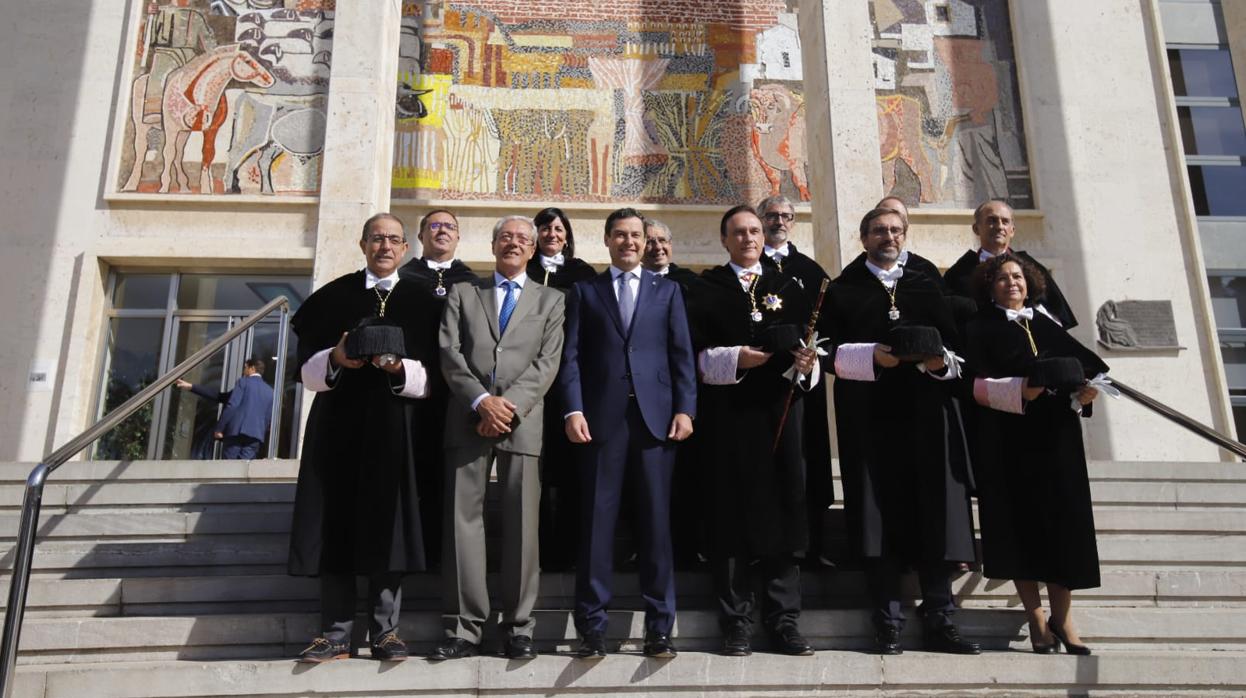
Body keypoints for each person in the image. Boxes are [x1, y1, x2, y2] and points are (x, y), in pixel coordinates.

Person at [826, 207, 979, 656]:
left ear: (905, 234)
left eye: (895, 230)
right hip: (870, 420)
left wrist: (939, 363)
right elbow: (826, 352)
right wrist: (874, 355)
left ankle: (940, 616)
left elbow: (958, 350)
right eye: (878, 231)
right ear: (863, 238)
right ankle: (886, 618)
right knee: (879, 516)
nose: (887, 236)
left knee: (934, 512)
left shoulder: (926, 283)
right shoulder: (843, 290)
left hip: (927, 417)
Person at [288, 212, 435, 663]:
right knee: (336, 525)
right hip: (338, 430)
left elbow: (435, 377)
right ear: (362, 244)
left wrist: (397, 369)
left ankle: (385, 633)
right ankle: (334, 634)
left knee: (388, 530)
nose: (385, 246)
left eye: (393, 239)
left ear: (406, 248)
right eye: (377, 238)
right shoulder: (332, 296)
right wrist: (335, 356)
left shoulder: (426, 300)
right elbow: (305, 374)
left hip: (397, 432)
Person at [558, 208, 697, 659]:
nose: (630, 242)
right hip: (601, 422)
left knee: (657, 527)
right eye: (620, 235)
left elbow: (682, 355)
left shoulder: (669, 290)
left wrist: (685, 409)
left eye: (636, 235)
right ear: (607, 240)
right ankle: (592, 628)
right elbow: (572, 357)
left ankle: (660, 628)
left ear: (645, 240)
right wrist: (573, 409)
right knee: (597, 526)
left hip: (656, 422)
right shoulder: (585, 291)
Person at [431, 215, 566, 661]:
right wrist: (481, 402)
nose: (513, 244)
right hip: (468, 417)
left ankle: (519, 626)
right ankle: (464, 628)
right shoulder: (463, 293)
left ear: (533, 250)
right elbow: (449, 353)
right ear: (492, 246)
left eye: (522, 239)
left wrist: (507, 407)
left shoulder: (552, 300)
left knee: (522, 525)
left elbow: (547, 364)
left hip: (522, 421)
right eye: (505, 237)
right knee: (461, 522)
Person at [688, 204, 820, 657]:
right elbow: (694, 357)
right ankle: (736, 621)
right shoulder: (706, 289)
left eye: (754, 231)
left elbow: (812, 344)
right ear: (724, 240)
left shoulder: (790, 285)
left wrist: (808, 364)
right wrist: (736, 359)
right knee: (730, 517)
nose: (748, 239)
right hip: (729, 418)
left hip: (781, 414)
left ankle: (784, 620)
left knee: (783, 514)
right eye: (738, 233)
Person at [963, 254, 1106, 655]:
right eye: (1004, 277)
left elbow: (1087, 370)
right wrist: (1022, 391)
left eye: (1019, 277)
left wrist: (1085, 394)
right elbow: (972, 386)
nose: (1013, 283)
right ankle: (1037, 617)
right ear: (989, 285)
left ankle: (1064, 618)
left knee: (1064, 527)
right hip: (1008, 442)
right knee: (1018, 528)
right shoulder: (978, 328)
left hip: (1058, 439)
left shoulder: (1046, 323)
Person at [756, 195, 834, 567]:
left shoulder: (811, 271)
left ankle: (812, 547)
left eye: (786, 216)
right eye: (772, 215)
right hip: (759, 383)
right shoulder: (748, 268)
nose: (779, 222)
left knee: (808, 460)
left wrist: (812, 357)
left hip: (803, 383)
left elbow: (830, 328)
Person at [397, 209, 478, 569]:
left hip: (457, 395)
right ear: (421, 235)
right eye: (434, 225)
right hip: (412, 393)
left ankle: (450, 555)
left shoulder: (474, 282)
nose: (441, 231)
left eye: (449, 227)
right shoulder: (402, 278)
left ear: (458, 237)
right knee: (414, 472)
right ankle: (413, 551)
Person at [527, 207, 597, 570]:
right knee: (534, 471)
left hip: (569, 383)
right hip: (529, 382)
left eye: (558, 228)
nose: (552, 234)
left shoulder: (582, 274)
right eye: (545, 228)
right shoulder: (524, 268)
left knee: (570, 470)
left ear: (567, 235)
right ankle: (537, 550)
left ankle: (570, 550)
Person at [642, 218, 704, 567]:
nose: (657, 247)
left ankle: (688, 546)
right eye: (650, 241)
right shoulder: (627, 286)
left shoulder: (691, 285)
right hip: (641, 395)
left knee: (686, 477)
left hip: (683, 397)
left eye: (662, 240)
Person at [943, 200, 1078, 328]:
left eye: (1005, 221)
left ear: (1012, 230)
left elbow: (1055, 319)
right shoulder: (959, 274)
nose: (999, 226)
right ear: (976, 229)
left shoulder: (1031, 268)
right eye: (992, 220)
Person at [209, 358, 273, 459]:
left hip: (236, 432)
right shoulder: (270, 391)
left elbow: (232, 405)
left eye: (245, 367)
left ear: (252, 368)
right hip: (255, 437)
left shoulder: (243, 382)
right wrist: (260, 433)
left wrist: (219, 428)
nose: (244, 371)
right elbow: (267, 417)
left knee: (230, 468)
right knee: (244, 469)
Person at [642, 218, 699, 287]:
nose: (658, 247)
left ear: (670, 244)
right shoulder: (629, 280)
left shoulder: (690, 280)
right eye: (649, 242)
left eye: (662, 240)